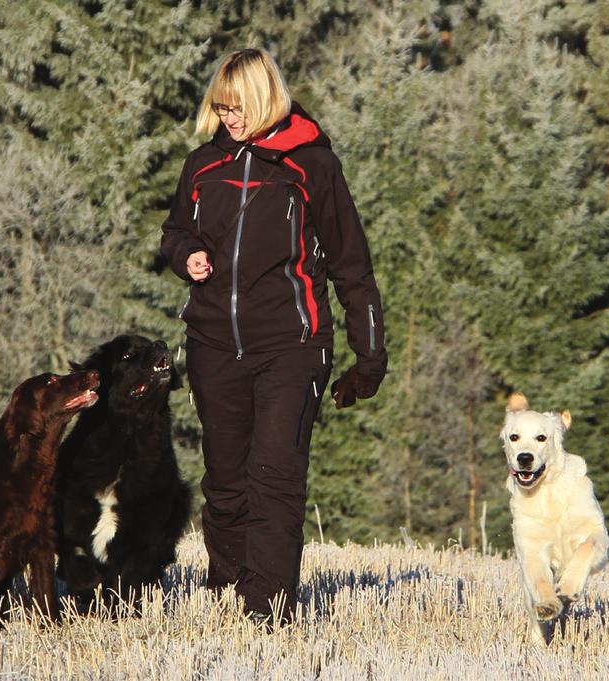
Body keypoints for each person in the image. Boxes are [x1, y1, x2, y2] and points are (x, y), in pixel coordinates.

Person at [160, 48, 387, 625]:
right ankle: (226, 603)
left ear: (263, 99)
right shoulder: (202, 164)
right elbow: (175, 232)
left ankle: (267, 616)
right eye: (219, 106)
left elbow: (351, 265)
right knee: (227, 482)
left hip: (293, 344)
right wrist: (187, 257)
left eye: (236, 107)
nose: (227, 118)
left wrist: (369, 358)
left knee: (274, 478)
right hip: (213, 343)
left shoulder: (313, 166)